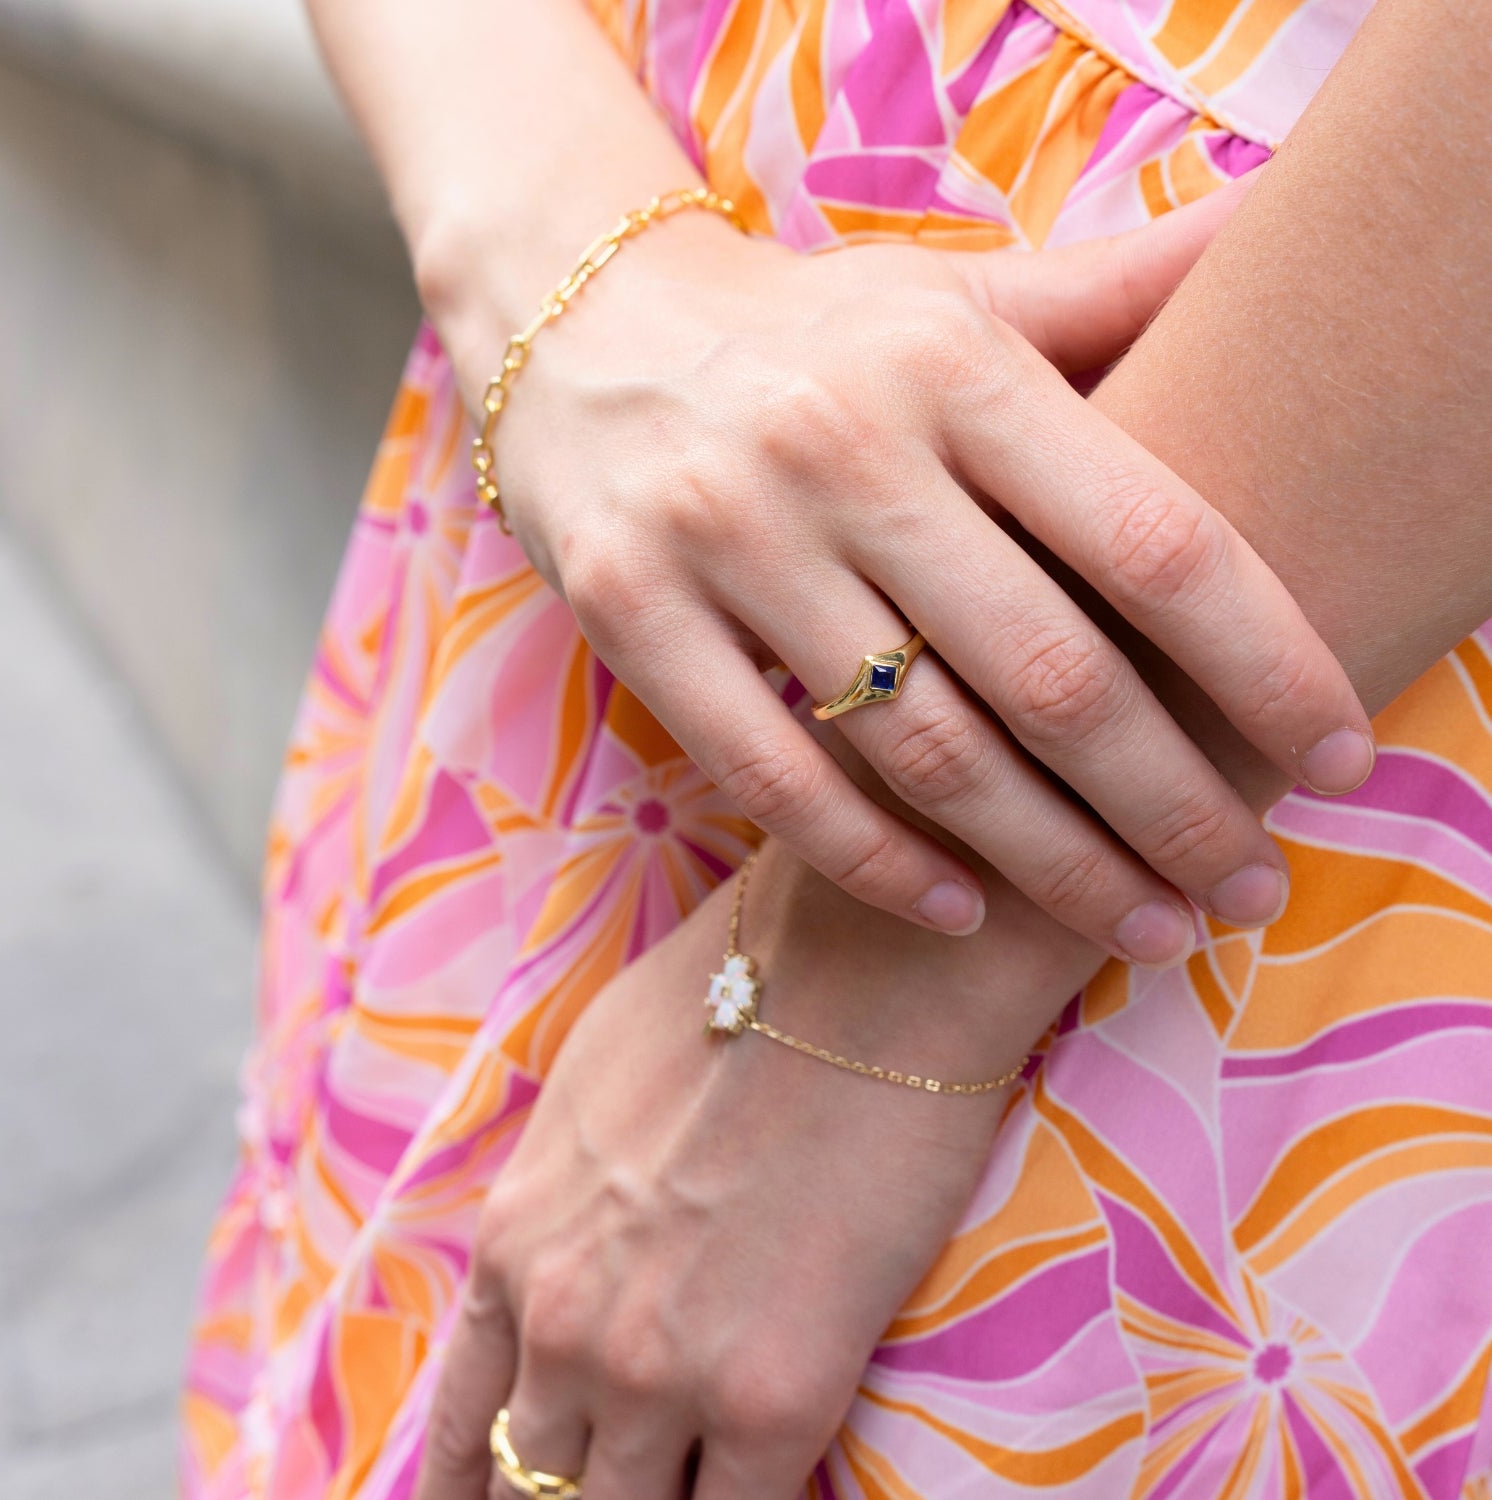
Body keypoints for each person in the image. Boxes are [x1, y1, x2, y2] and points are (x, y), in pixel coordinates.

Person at [180, 0, 1492, 1495]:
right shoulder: (599, 334)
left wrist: (863, 989)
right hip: (606, 355)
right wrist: (568, 275)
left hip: (1305, 490)